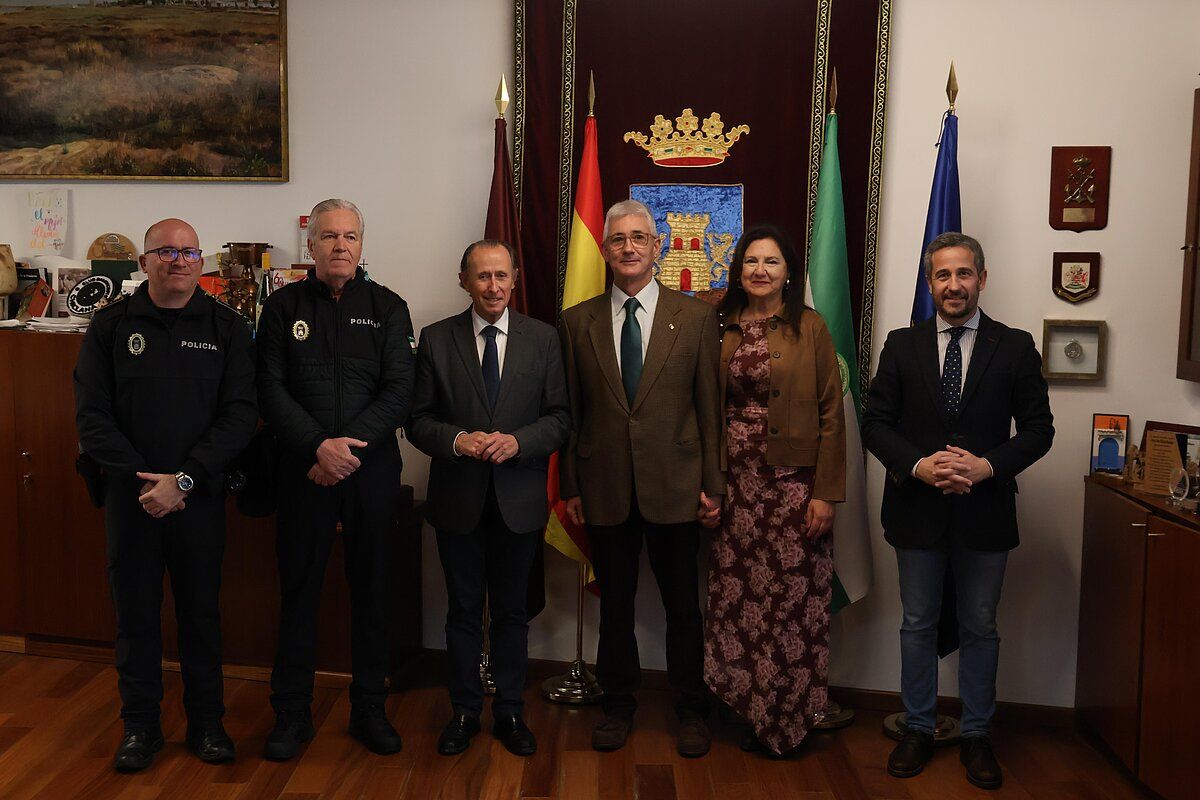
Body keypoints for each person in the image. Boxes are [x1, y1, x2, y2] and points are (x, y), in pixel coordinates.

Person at [862, 232, 1053, 790]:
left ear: (982, 279)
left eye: (963, 273)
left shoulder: (1014, 346)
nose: (953, 284)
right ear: (930, 283)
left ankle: (977, 735)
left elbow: (1039, 430)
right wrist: (919, 465)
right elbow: (875, 423)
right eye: (942, 275)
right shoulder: (902, 345)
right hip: (916, 510)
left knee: (980, 626)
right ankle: (918, 727)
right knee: (918, 624)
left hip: (984, 512)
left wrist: (987, 466)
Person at [74, 218, 258, 772]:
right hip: (132, 501)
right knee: (135, 618)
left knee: (201, 615)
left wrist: (183, 481)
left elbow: (239, 416)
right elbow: (92, 418)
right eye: (166, 252)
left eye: (188, 252)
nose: (178, 261)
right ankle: (141, 728)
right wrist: (147, 483)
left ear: (202, 262)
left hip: (198, 499)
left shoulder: (228, 327)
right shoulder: (109, 327)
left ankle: (207, 724)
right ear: (144, 262)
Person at [558, 199, 724, 757]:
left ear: (658, 247)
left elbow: (709, 409)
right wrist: (572, 487)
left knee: (684, 608)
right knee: (615, 607)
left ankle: (692, 709)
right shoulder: (576, 322)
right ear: (605, 251)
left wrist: (714, 485)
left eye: (638, 238)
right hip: (603, 487)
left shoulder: (695, 318)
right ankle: (618, 705)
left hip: (677, 486)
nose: (628, 247)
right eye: (618, 239)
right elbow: (572, 412)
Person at [256, 198, 415, 759]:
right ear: (311, 245)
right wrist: (317, 447)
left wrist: (345, 451)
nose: (340, 246)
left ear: (362, 245)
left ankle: (370, 709)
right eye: (328, 236)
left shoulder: (389, 307)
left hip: (370, 472)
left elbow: (400, 390)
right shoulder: (281, 307)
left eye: (349, 236)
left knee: (372, 592)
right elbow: (269, 388)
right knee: (298, 593)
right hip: (304, 470)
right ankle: (291, 714)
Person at [407, 239, 569, 757]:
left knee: (511, 613)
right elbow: (417, 421)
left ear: (515, 279)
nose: (493, 286)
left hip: (518, 503)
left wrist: (520, 442)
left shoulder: (543, 339)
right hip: (458, 500)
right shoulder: (436, 339)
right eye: (482, 276)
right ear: (464, 281)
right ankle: (463, 711)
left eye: (501, 275)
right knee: (461, 611)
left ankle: (510, 712)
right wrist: (458, 440)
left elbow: (560, 418)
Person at [704, 224, 846, 755]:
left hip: (795, 490)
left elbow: (831, 413)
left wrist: (825, 493)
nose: (760, 270)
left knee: (790, 608)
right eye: (750, 261)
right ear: (738, 270)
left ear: (789, 273)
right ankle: (748, 711)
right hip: (736, 488)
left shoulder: (810, 326)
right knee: (739, 603)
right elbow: (703, 408)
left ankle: (787, 721)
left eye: (771, 262)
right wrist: (710, 486)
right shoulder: (719, 325)